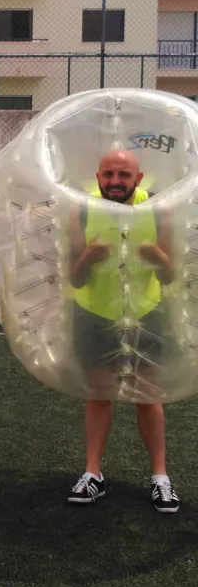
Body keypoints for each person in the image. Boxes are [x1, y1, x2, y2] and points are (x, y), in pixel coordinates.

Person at [66, 148, 179, 512]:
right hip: (95, 313)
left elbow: (171, 274)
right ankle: (92, 474)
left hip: (147, 312)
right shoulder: (81, 209)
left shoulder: (159, 210)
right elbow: (75, 278)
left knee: (149, 395)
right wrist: (88, 258)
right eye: (109, 175)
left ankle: (160, 478)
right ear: (98, 178)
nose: (116, 182)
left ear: (138, 179)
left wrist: (158, 258)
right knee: (99, 393)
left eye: (123, 175)